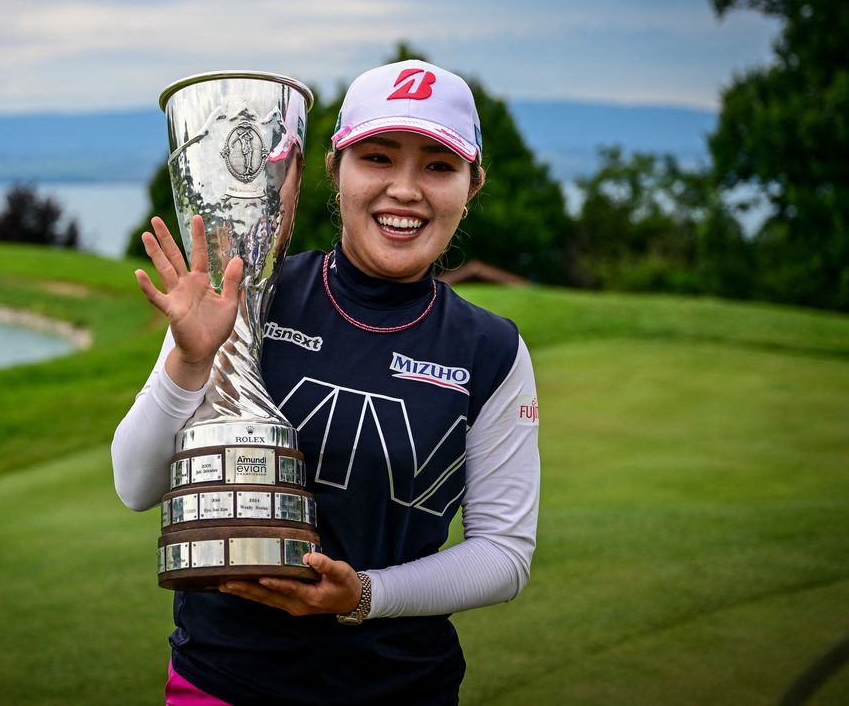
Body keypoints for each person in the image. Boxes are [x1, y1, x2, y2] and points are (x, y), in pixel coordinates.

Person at [112, 59, 541, 706]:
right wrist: (188, 359)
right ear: (333, 171)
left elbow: (504, 555)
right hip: (223, 683)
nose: (406, 188)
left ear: (471, 185)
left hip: (403, 689)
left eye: (437, 165)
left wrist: (363, 595)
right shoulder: (248, 293)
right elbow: (136, 486)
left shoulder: (490, 350)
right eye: (377, 157)